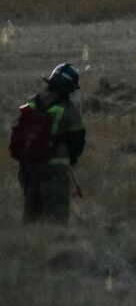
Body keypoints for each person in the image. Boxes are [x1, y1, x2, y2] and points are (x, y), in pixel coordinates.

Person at [12, 63, 86, 224]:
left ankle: (31, 245)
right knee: (56, 217)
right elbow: (77, 141)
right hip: (55, 169)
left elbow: (19, 129)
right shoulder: (67, 109)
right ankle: (54, 245)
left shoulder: (32, 103)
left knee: (31, 215)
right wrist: (69, 159)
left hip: (30, 166)